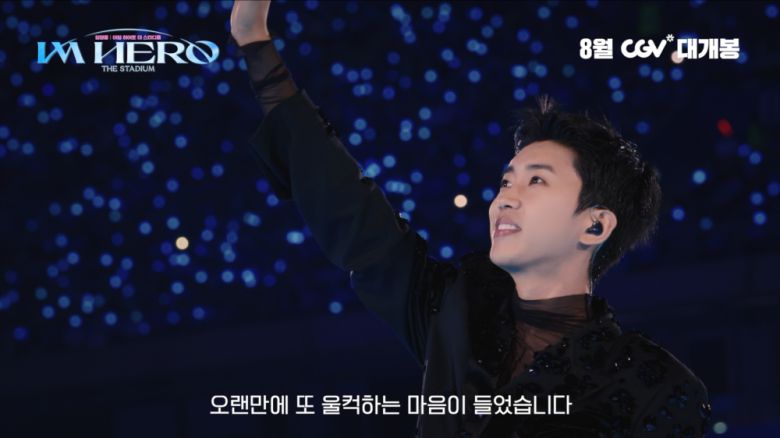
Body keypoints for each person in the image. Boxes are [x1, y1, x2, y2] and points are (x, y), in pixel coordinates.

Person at [228, 1, 713, 436]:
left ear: (595, 225)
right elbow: (349, 209)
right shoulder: (455, 312)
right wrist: (254, 39)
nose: (504, 199)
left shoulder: (654, 386)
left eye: (536, 181)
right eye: (505, 182)